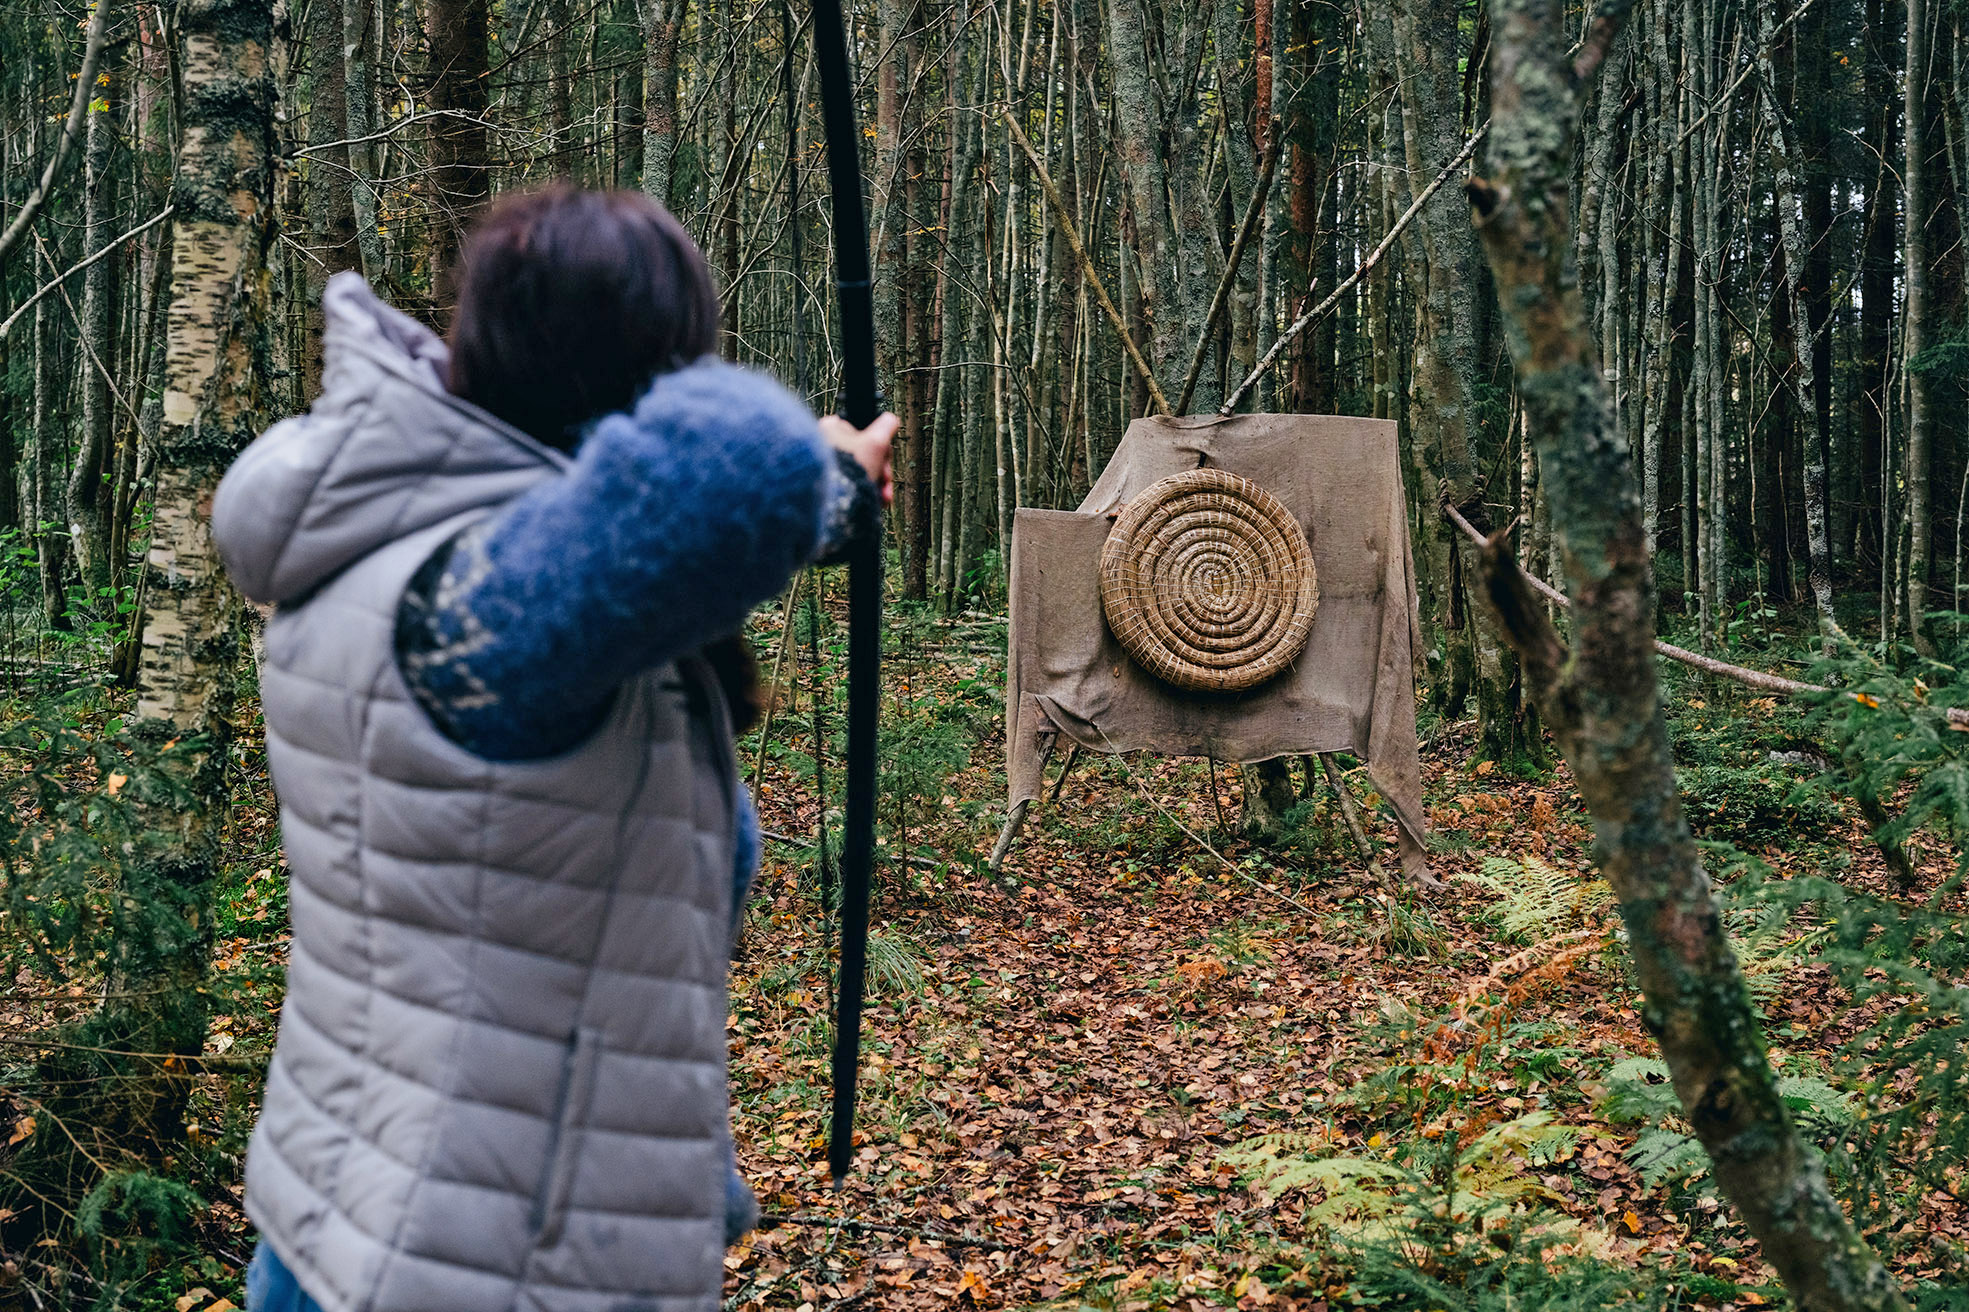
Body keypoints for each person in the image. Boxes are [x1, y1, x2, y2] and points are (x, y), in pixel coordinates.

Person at [212, 185, 895, 1312]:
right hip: (473, 1263)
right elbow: (727, 477)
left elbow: (655, 536)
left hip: (351, 1213)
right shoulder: (480, 611)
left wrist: (826, 505)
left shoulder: (395, 546)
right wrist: (816, 479)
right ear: (649, 375)